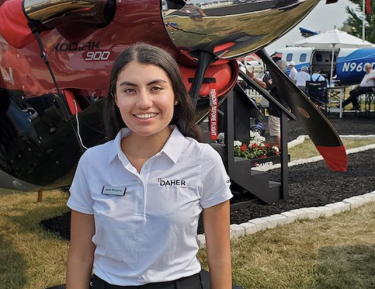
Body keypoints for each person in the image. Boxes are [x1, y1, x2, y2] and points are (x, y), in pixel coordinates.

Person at [66, 43, 233, 289]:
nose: (144, 102)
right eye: (130, 90)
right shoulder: (92, 162)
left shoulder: (202, 160)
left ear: (175, 95)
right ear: (116, 98)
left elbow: (219, 256)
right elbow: (80, 256)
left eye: (156, 88)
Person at [246, 59, 288, 145]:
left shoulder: (277, 78)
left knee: (277, 132)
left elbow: (265, 85)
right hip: (285, 107)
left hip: (276, 108)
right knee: (281, 130)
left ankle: (280, 150)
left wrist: (252, 78)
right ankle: (282, 150)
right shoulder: (287, 77)